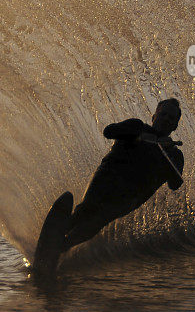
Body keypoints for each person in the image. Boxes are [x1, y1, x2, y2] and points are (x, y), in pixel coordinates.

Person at [61, 98, 185, 252]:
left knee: (98, 220)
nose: (166, 119)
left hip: (131, 196)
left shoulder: (174, 155)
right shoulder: (136, 126)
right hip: (108, 177)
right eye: (163, 114)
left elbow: (175, 184)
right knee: (87, 209)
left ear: (175, 125)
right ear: (154, 116)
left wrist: (168, 154)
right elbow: (108, 131)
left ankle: (63, 247)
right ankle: (58, 234)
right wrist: (138, 135)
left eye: (171, 118)